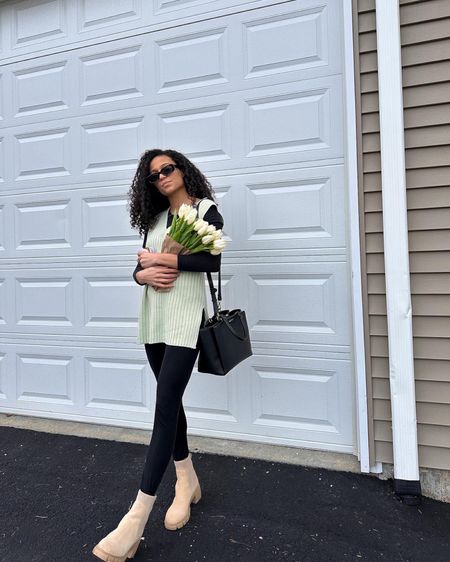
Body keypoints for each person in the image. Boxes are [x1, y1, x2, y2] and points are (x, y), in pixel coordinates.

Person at [92, 149, 224, 562]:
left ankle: (134, 520)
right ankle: (186, 480)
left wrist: (162, 259)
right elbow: (140, 270)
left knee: (164, 406)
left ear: (182, 170)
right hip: (154, 319)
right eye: (153, 175)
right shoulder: (152, 219)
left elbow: (212, 259)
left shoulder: (205, 210)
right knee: (172, 403)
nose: (162, 177)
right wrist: (141, 274)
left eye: (167, 169)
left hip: (185, 320)